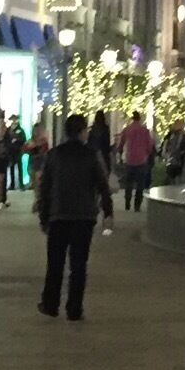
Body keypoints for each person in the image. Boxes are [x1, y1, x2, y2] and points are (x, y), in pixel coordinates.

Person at [35, 110, 115, 320]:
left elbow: (44, 188)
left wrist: (44, 216)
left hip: (58, 216)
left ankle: (51, 304)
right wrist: (108, 211)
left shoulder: (54, 155)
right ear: (81, 132)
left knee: (55, 264)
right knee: (78, 265)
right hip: (83, 216)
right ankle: (74, 308)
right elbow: (103, 185)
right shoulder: (91, 155)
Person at [117, 111, 156, 212]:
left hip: (129, 159)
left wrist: (120, 154)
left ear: (132, 118)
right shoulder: (145, 130)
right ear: (140, 119)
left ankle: (127, 203)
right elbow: (149, 146)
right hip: (141, 160)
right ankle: (137, 206)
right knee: (140, 184)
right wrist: (147, 154)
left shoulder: (127, 129)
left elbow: (121, 144)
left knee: (128, 183)